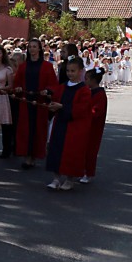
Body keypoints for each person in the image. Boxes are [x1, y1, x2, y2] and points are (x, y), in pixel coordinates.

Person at [45, 57, 92, 191]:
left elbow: (82, 109)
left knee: (71, 151)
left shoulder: (84, 90)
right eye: (68, 71)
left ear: (81, 71)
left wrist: (62, 107)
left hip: (74, 126)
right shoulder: (62, 87)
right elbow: (55, 98)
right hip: (60, 122)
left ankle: (70, 178)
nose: (70, 73)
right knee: (55, 148)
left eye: (73, 71)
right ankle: (56, 177)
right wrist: (53, 105)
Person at [14, 38, 59, 169]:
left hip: (40, 102)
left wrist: (48, 91)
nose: (32, 49)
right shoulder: (23, 66)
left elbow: (53, 84)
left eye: (34, 46)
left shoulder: (47, 66)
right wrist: (18, 89)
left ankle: (34, 155)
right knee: (25, 129)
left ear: (39, 48)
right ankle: (27, 156)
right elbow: (17, 82)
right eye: (30, 47)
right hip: (26, 101)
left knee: (38, 129)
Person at [81, 68, 107, 184]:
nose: (84, 81)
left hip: (94, 128)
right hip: (86, 125)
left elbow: (96, 111)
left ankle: (89, 173)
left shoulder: (100, 95)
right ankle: (83, 170)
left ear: (93, 80)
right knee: (83, 149)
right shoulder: (89, 92)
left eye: (86, 79)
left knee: (91, 151)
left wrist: (85, 113)